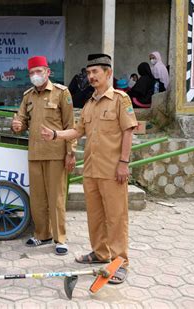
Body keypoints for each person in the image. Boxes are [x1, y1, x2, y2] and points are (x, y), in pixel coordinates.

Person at [40, 54, 138, 284]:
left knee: (116, 217)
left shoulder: (120, 100)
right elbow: (77, 131)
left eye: (95, 72)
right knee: (95, 216)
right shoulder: (89, 103)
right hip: (91, 170)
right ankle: (100, 253)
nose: (91, 76)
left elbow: (128, 131)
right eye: (88, 73)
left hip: (113, 171)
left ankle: (120, 262)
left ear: (108, 73)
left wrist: (124, 163)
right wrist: (55, 135)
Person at [11, 55, 76, 255]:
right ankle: (42, 234)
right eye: (31, 72)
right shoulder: (28, 96)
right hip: (35, 153)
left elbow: (70, 125)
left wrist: (70, 152)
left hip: (56, 153)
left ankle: (60, 238)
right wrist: (16, 126)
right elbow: (21, 121)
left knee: (56, 197)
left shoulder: (61, 93)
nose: (35, 75)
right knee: (38, 198)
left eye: (38, 71)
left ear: (48, 72)